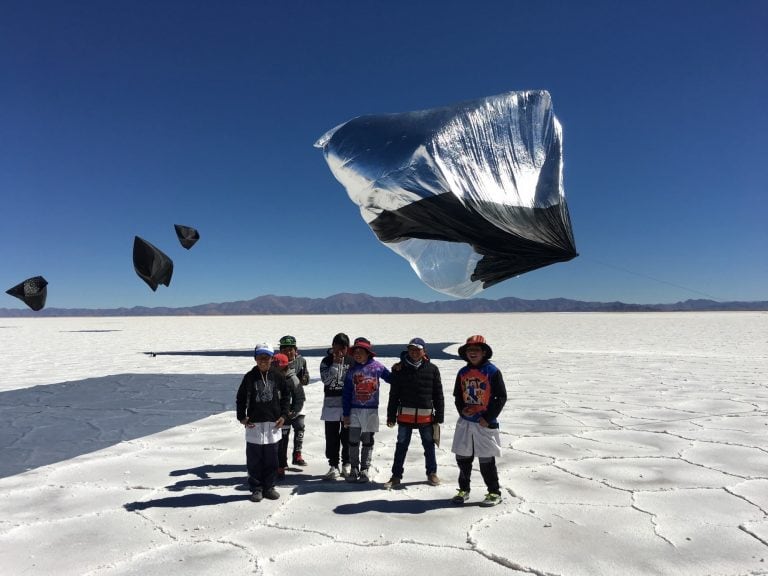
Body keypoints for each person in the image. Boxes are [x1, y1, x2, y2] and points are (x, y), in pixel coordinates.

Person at [450, 335, 507, 507]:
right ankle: (464, 490)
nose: (472, 353)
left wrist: (488, 417)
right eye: (469, 350)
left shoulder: (492, 371)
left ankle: (494, 492)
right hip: (466, 421)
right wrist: (462, 410)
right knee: (463, 457)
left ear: (483, 352)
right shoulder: (463, 373)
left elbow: (501, 397)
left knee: (486, 460)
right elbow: (458, 396)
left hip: (484, 423)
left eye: (476, 350)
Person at [384, 337, 444, 489]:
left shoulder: (432, 369)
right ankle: (396, 476)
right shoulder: (400, 369)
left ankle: (432, 473)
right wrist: (391, 416)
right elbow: (394, 395)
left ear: (424, 351)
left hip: (426, 417)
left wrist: (440, 414)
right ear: (407, 350)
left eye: (418, 349)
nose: (414, 352)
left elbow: (438, 394)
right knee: (401, 446)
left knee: (429, 446)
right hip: (405, 416)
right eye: (412, 349)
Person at [235, 342, 290, 502]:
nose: (263, 361)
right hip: (254, 424)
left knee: (272, 459)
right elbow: (240, 398)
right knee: (254, 459)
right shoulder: (249, 377)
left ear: (272, 358)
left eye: (266, 357)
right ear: (255, 358)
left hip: (273, 424)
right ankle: (256, 488)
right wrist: (241, 417)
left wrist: (284, 416)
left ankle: (269, 487)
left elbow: (286, 397)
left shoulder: (278, 376)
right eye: (260, 357)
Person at [342, 337, 392, 483]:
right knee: (352, 440)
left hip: (371, 410)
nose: (357, 354)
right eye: (355, 351)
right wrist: (346, 414)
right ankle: (354, 468)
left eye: (360, 351)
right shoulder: (351, 371)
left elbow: (391, 378)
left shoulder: (377, 367)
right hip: (354, 410)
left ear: (368, 353)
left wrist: (399, 369)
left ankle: (364, 468)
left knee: (367, 440)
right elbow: (346, 393)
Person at [319, 333, 353, 480]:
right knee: (331, 437)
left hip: (348, 406)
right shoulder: (326, 361)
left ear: (347, 348)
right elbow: (326, 381)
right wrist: (335, 364)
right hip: (331, 406)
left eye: (343, 348)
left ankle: (347, 464)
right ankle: (333, 465)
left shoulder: (352, 361)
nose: (339, 351)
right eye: (337, 347)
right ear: (332, 346)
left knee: (347, 436)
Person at [272, 352, 306, 479]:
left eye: (277, 365)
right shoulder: (271, 377)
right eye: (273, 365)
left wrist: (294, 412)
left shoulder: (292, 379)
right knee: (275, 442)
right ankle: (277, 464)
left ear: (284, 366)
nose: (275, 367)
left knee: (283, 440)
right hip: (274, 415)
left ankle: (281, 467)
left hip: (287, 415)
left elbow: (300, 397)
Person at [278, 335, 309, 466]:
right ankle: (282, 459)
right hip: (282, 403)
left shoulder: (301, 361)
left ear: (295, 349)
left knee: (300, 427)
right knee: (283, 432)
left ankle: (297, 454)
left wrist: (304, 379)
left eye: (291, 349)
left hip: (298, 400)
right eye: (285, 349)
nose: (288, 352)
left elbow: (306, 378)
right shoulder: (277, 361)